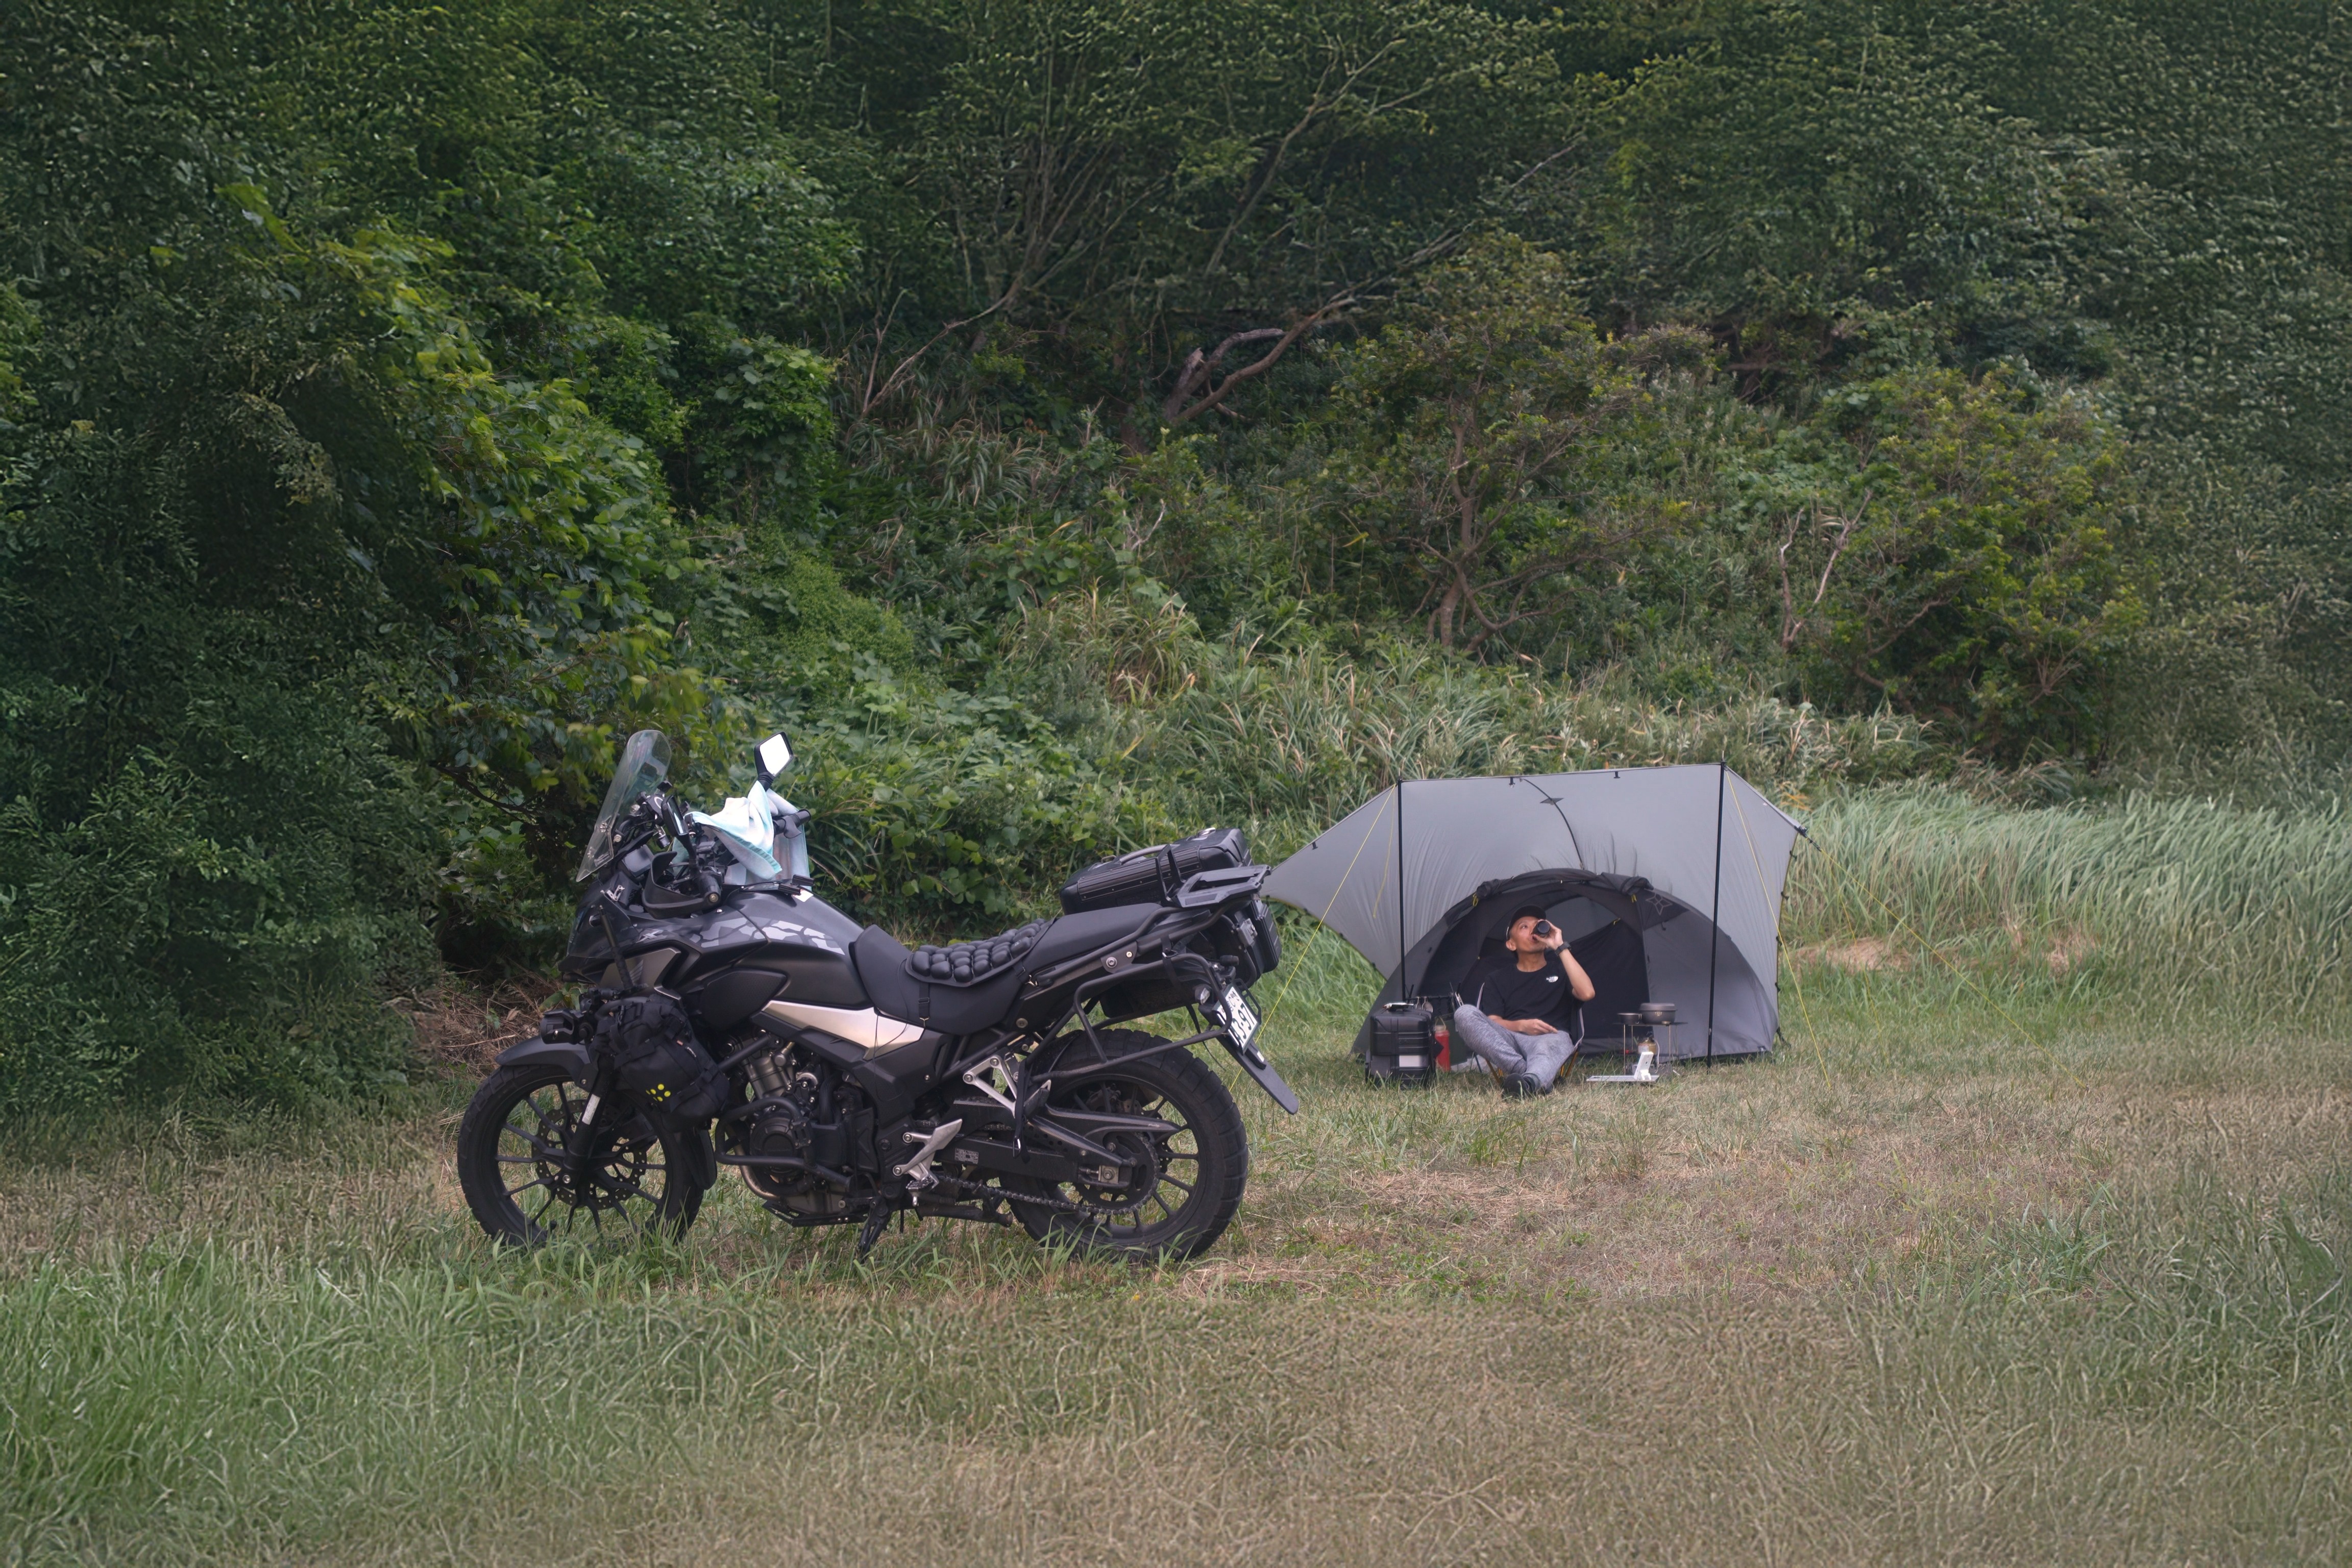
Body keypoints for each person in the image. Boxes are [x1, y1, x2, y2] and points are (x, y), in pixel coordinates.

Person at [1452, 906, 1597, 1097]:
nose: (1533, 931)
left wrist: (1559, 946)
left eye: (1537, 926)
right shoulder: (1498, 978)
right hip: (1511, 1040)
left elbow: (1587, 993)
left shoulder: (1561, 971)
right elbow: (1492, 1023)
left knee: (1547, 1047)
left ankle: (1528, 1083)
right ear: (1511, 945)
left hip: (1550, 1036)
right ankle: (1528, 1075)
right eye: (1524, 927)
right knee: (1463, 1013)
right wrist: (1521, 1026)